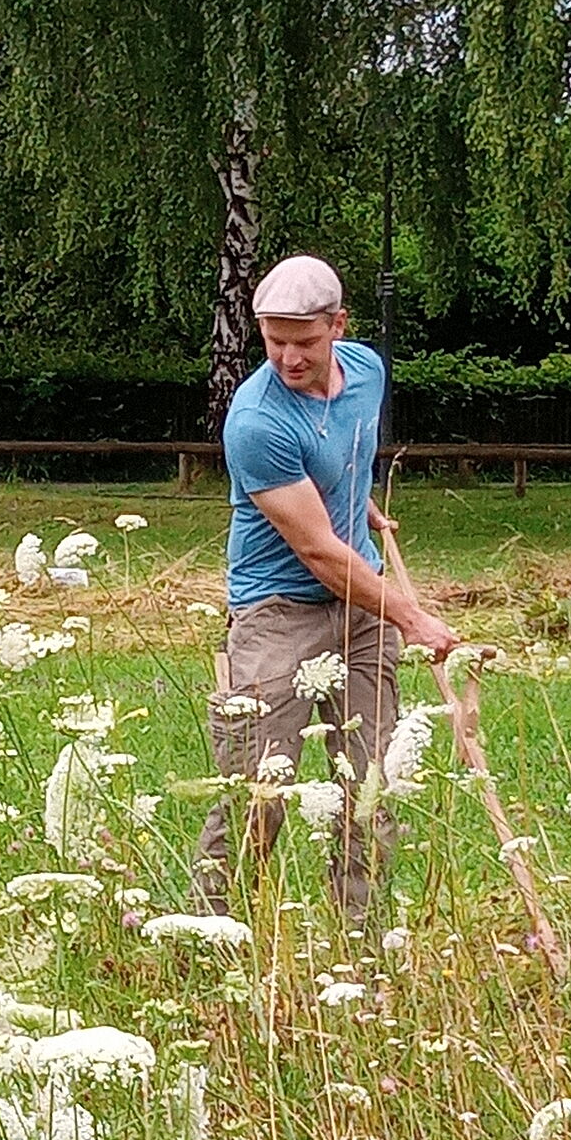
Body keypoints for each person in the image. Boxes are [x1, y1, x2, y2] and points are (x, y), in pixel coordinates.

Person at [194, 254, 460, 922]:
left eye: (304, 342)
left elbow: (348, 442)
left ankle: (363, 944)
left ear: (338, 326)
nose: (288, 358)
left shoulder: (366, 371)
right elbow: (315, 550)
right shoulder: (256, 421)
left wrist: (352, 494)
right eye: (274, 341)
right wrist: (412, 617)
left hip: (357, 605)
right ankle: (207, 937)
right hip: (277, 612)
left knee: (369, 783)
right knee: (259, 792)